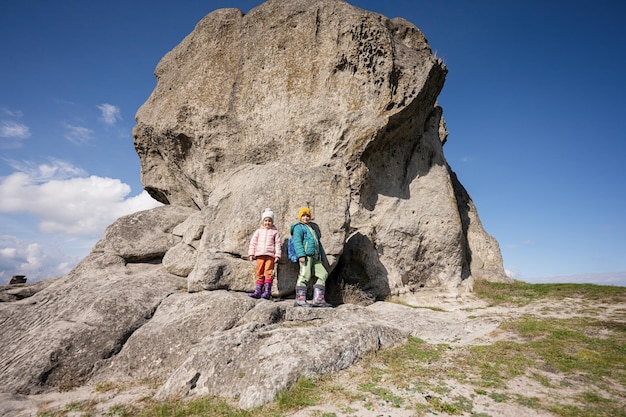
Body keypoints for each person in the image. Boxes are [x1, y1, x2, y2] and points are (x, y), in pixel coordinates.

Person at [290, 207, 332, 307]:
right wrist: (301, 255)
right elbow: (297, 242)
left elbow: (318, 244)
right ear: (300, 217)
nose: (306, 217)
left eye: (307, 215)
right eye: (303, 215)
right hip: (306, 256)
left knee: (323, 274)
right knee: (304, 275)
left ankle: (318, 299)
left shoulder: (311, 228)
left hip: (315, 257)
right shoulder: (298, 227)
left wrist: (321, 257)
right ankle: (300, 300)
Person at [248, 208, 281, 299]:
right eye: (265, 220)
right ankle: (258, 291)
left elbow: (278, 244)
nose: (267, 222)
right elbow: (253, 242)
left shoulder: (275, 232)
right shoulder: (258, 231)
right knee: (259, 272)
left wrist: (277, 255)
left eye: (269, 221)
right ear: (263, 221)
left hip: (270, 255)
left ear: (272, 222)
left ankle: (267, 292)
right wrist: (251, 253)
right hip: (260, 255)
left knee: (269, 272)